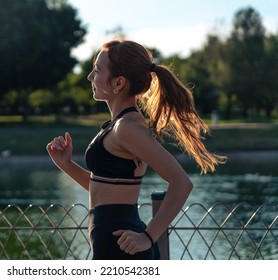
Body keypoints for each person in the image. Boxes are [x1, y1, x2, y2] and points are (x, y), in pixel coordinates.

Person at [46, 39, 226, 260]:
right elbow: (102, 188)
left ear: (118, 83)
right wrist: (65, 163)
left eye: (97, 70)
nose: (89, 77)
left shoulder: (127, 128)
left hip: (121, 246)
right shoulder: (120, 125)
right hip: (112, 241)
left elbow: (182, 183)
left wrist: (148, 237)